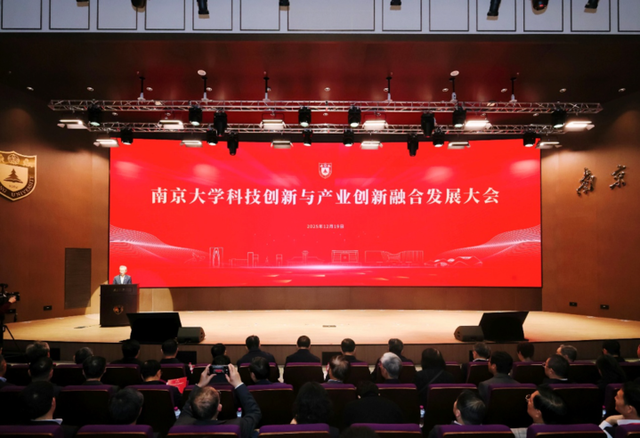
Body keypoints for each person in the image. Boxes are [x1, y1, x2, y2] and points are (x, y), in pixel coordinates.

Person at [176, 363, 261, 438]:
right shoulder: (236, 428)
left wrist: (200, 384)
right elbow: (254, 412)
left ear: (191, 408)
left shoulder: (179, 426)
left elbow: (185, 411)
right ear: (219, 407)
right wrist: (238, 384)